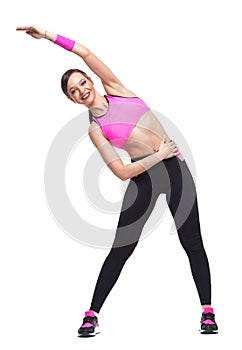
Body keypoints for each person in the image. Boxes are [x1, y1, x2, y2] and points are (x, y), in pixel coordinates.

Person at [16, 25, 218, 336]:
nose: (82, 89)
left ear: (91, 81)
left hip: (175, 170)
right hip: (143, 176)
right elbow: (121, 171)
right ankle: (92, 314)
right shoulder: (95, 128)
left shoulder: (117, 89)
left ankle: (207, 311)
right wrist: (158, 153)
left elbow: (83, 51)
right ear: (72, 100)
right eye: (74, 90)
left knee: (191, 241)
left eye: (82, 82)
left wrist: (47, 36)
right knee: (122, 247)